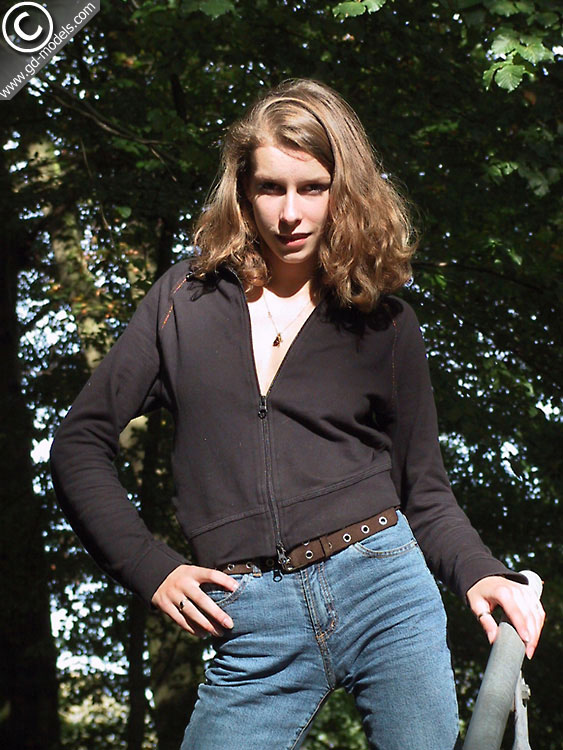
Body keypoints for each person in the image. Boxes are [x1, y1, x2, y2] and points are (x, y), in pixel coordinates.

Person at [50, 79, 545, 750]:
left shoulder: (385, 323)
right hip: (249, 621)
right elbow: (78, 444)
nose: (290, 213)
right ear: (242, 191)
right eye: (270, 188)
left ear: (346, 191)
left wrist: (479, 570)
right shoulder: (181, 300)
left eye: (313, 188)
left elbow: (424, 491)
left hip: (386, 592)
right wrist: (147, 563)